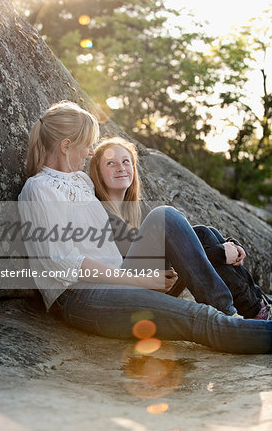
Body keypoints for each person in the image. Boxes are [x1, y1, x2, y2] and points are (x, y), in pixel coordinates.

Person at [18, 101, 272, 354]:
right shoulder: (39, 189)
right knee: (201, 318)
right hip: (81, 298)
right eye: (87, 144)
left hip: (120, 280)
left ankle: (227, 311)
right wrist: (142, 279)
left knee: (165, 216)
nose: (91, 152)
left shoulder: (82, 181)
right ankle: (228, 323)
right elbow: (66, 265)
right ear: (65, 146)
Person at [89, 137, 272, 321]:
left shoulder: (140, 208)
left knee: (205, 233)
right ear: (98, 173)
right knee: (175, 221)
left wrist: (229, 246)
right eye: (111, 163)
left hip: (161, 285)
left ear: (133, 168)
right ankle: (234, 313)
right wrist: (220, 254)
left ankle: (258, 307)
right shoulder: (99, 212)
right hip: (132, 294)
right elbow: (142, 269)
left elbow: (180, 255)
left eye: (125, 161)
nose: (120, 167)